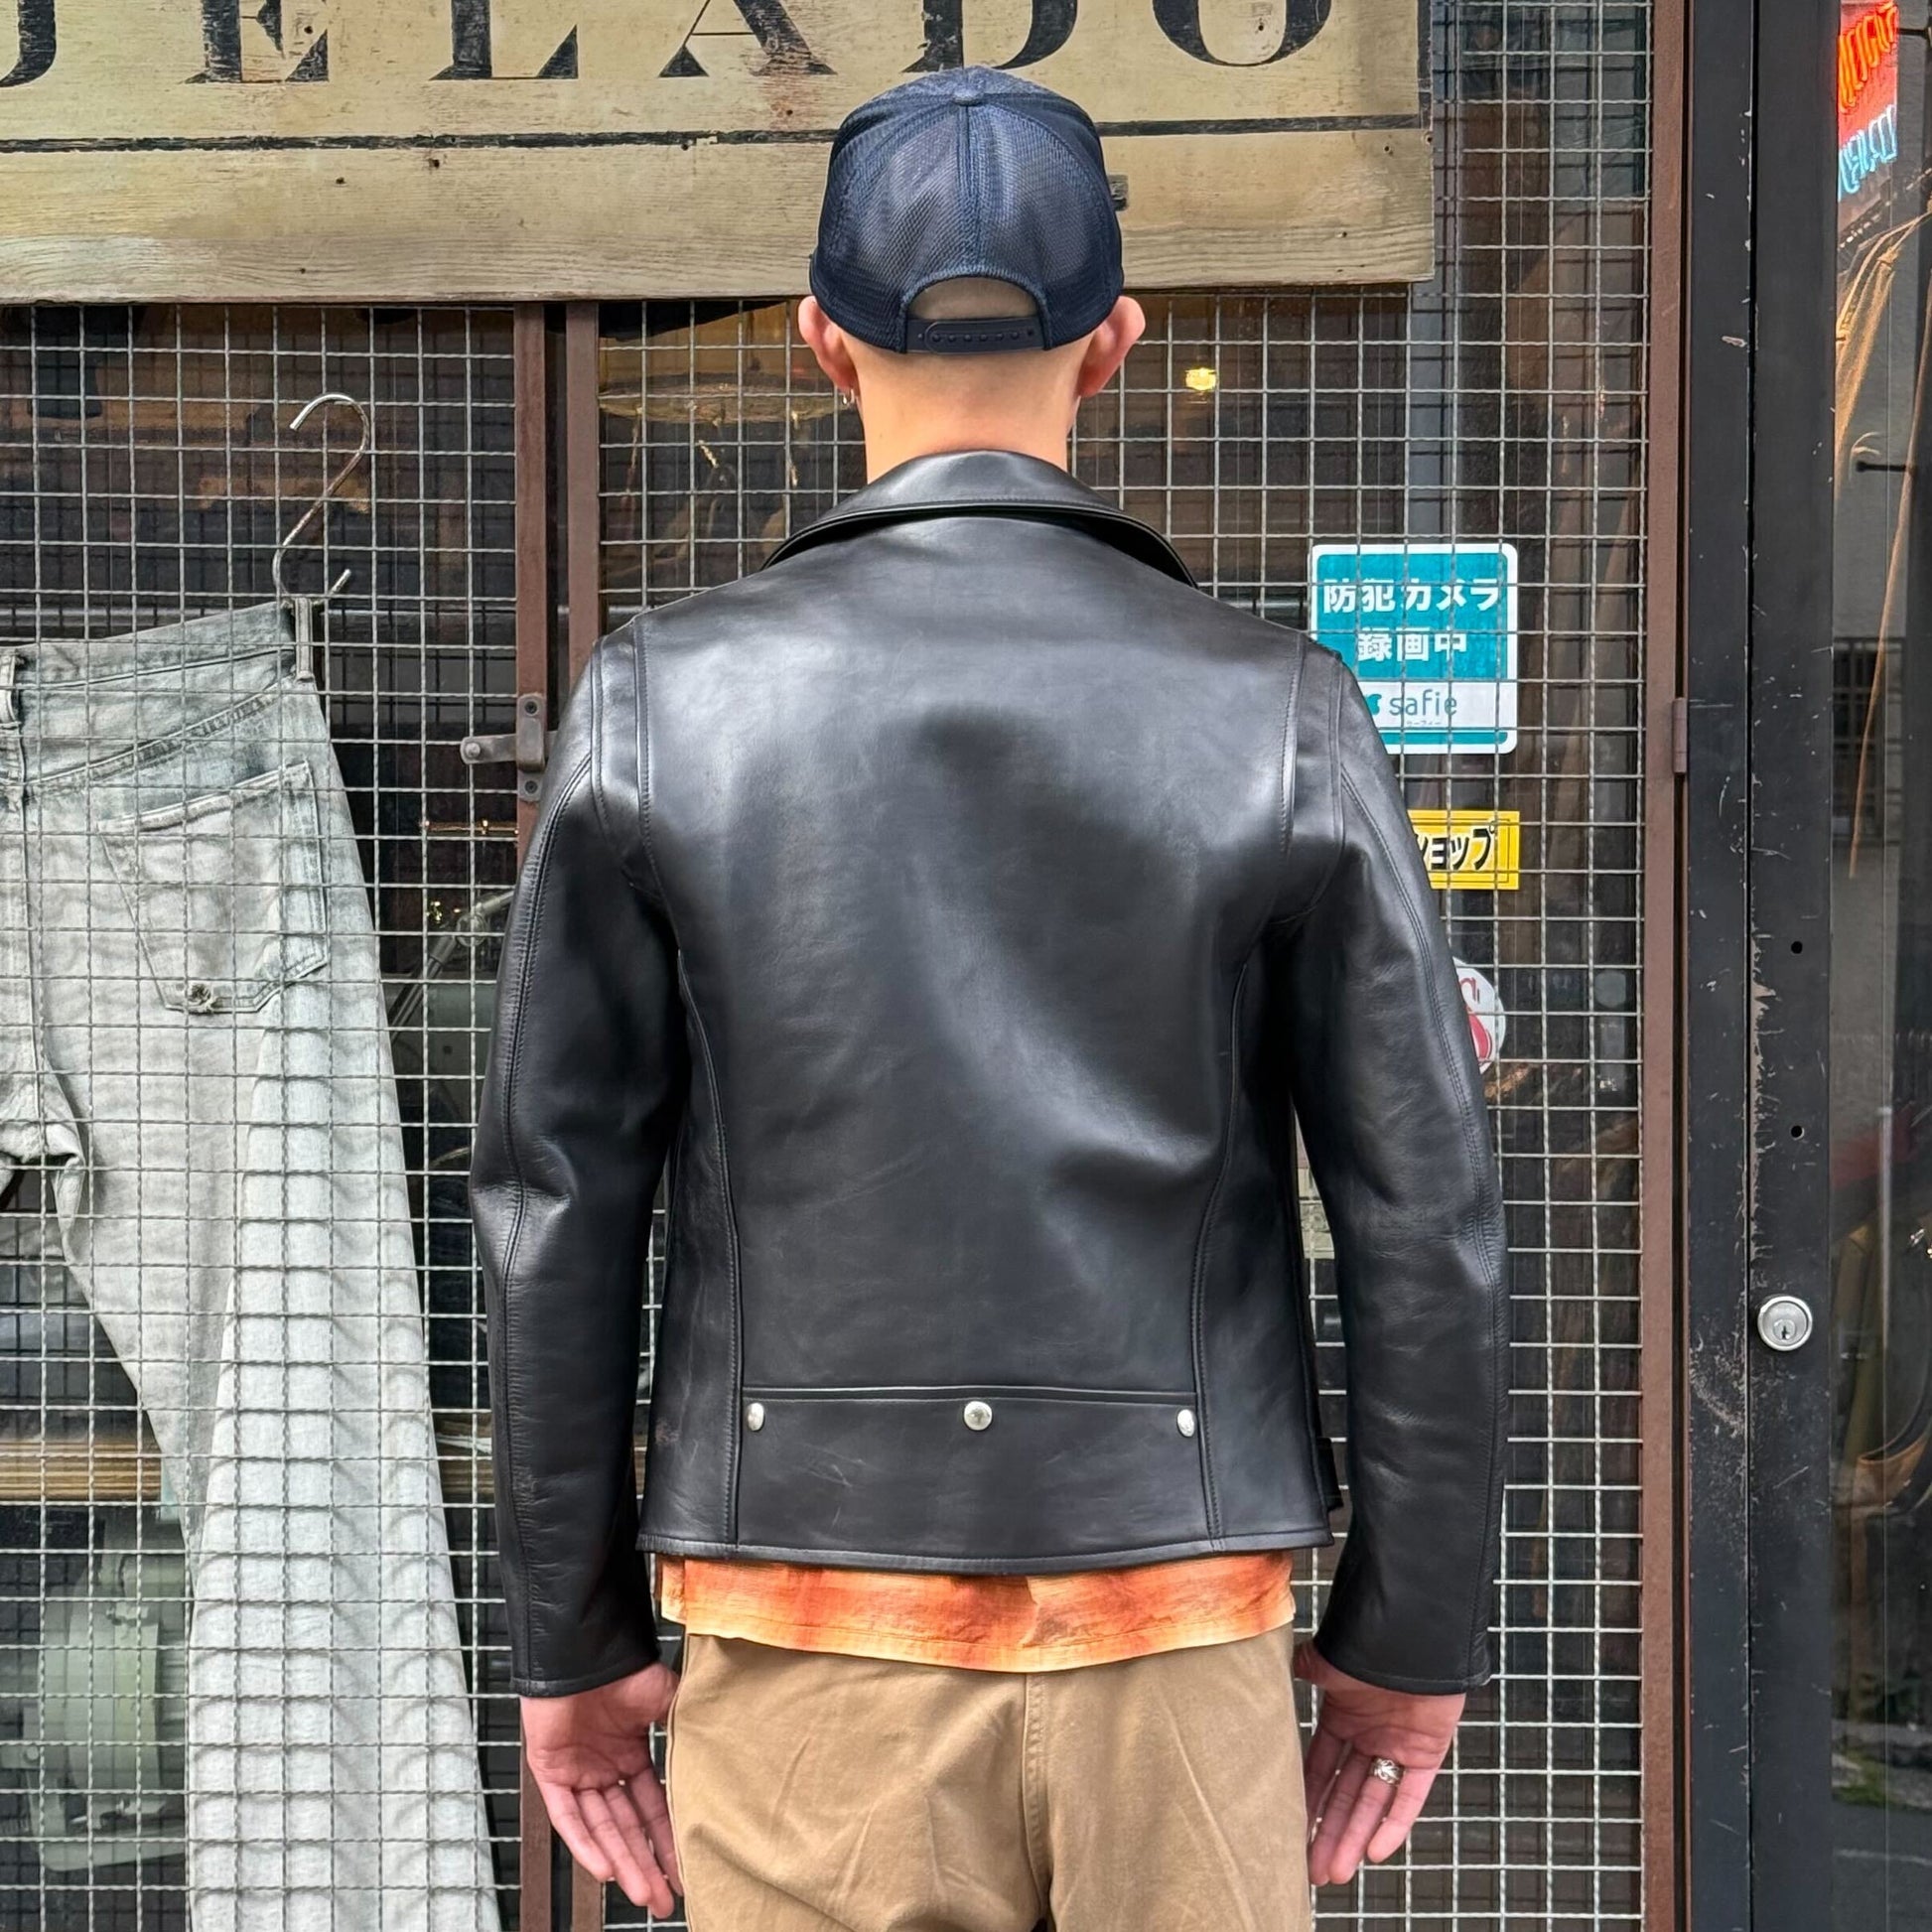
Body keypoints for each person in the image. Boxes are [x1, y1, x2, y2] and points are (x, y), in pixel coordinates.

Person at [472, 66, 1507, 1932]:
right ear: (1114, 343)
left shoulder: (661, 705)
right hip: (1177, 1607)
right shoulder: (1277, 710)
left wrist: (573, 1631)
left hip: (798, 1611)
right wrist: (1405, 1638)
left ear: (817, 341)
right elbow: (1418, 1211)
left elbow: (559, 1205)